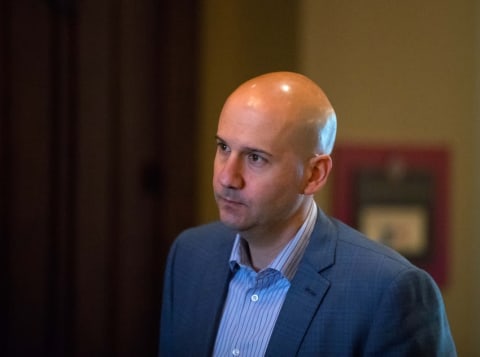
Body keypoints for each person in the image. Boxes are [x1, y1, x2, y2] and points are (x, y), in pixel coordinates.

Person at [159, 72, 456, 356]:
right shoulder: (190, 255)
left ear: (314, 174)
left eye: (255, 158)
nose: (227, 178)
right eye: (224, 147)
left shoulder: (390, 291)